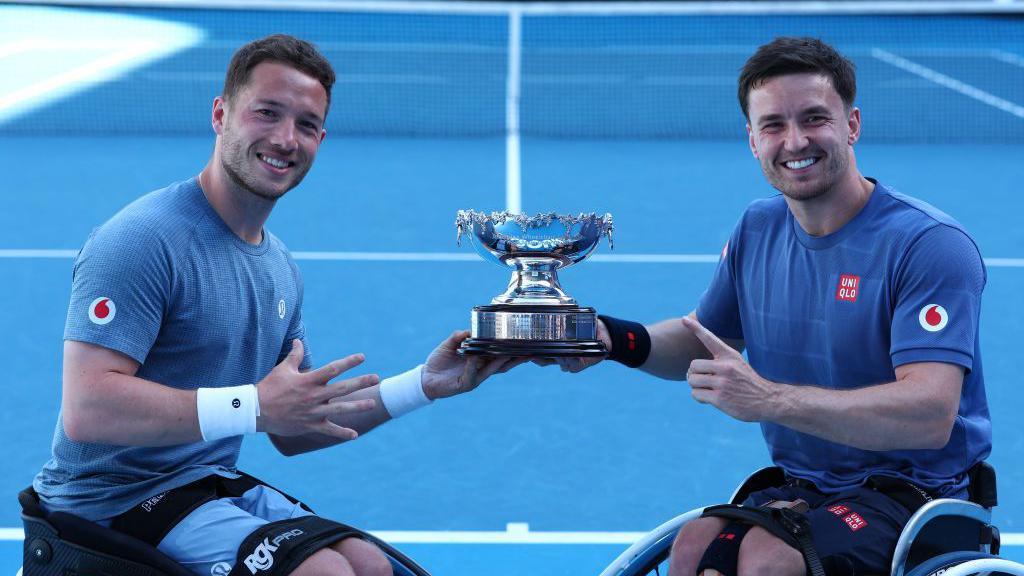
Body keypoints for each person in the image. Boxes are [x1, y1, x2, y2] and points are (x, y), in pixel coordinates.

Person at [33, 34, 521, 576]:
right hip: (108, 506)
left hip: (199, 487)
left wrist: (427, 384)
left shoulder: (278, 267)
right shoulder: (141, 240)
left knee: (370, 564)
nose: (286, 139)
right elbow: (88, 409)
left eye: (306, 125)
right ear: (221, 114)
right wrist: (252, 406)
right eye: (267, 113)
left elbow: (296, 427)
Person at [542, 37, 991, 576]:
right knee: (693, 548)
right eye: (773, 125)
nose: (795, 140)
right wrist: (610, 338)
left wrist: (770, 399)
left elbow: (929, 416)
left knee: (767, 561)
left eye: (814, 118)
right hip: (804, 488)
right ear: (751, 140)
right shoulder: (758, 227)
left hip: (913, 494)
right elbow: (702, 341)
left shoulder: (928, 245)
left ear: (852, 125)